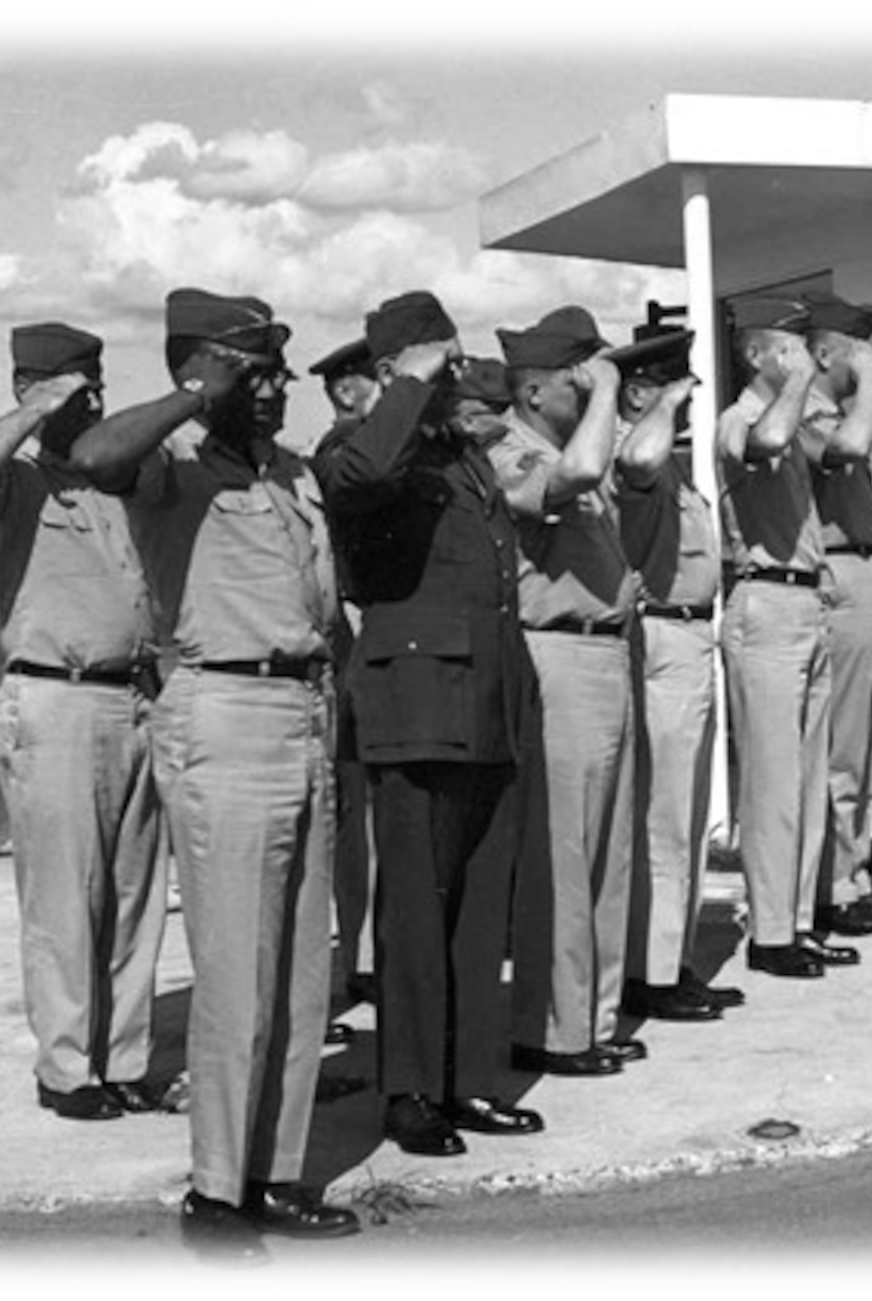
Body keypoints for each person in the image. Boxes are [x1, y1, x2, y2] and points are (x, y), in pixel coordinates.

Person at [69, 289, 357, 1256]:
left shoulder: (289, 473)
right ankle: (215, 1193)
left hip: (303, 709)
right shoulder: (169, 466)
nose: (275, 387)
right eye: (254, 370)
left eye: (278, 369)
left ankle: (273, 1172)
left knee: (299, 969)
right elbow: (95, 457)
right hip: (223, 712)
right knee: (238, 967)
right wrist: (199, 395)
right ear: (201, 373)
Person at [313, 291, 546, 1159]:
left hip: (485, 700)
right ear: (390, 371)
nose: (452, 376)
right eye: (437, 363)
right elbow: (365, 478)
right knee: (414, 909)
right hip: (416, 707)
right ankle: (409, 1088)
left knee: (481, 904)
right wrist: (404, 386)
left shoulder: (455, 449)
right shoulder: (356, 446)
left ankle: (468, 1081)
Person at [0, 323, 169, 1123]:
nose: (93, 400)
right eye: (76, 387)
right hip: (55, 699)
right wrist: (39, 409)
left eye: (96, 385)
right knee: (66, 896)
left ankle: (126, 1058)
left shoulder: (118, 482)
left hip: (136, 695)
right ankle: (68, 1067)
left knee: (137, 893)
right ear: (31, 389)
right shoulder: (15, 486)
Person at [488, 306, 650, 1076]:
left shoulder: (570, 441)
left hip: (607, 653)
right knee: (564, 851)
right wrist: (612, 385)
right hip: (556, 655)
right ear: (532, 393)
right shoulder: (512, 448)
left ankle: (595, 1016)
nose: (590, 390)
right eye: (576, 378)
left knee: (609, 850)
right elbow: (580, 474)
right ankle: (552, 1025)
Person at [611, 321, 743, 1022]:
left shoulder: (673, 467)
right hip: (659, 639)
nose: (688, 401)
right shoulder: (641, 456)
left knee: (687, 817)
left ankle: (673, 960)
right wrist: (660, 404)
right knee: (663, 815)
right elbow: (634, 461)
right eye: (674, 385)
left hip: (689, 641)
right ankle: (651, 974)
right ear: (638, 393)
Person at [716, 296, 847, 977]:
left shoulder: (793, 422)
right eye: (787, 345)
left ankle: (796, 922)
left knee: (805, 776)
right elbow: (765, 442)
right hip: (764, 603)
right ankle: (769, 934)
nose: (800, 357)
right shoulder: (738, 421)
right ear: (756, 355)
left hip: (805, 604)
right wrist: (799, 379)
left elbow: (840, 448)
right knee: (771, 780)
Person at [798, 290, 872, 936]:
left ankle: (854, 871)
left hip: (865, 568)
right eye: (854, 350)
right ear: (826, 351)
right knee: (840, 744)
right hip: (839, 574)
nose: (865, 362)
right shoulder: (811, 412)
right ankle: (834, 886)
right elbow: (851, 447)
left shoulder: (828, 408)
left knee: (862, 744)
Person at [307, 336, 381, 1025]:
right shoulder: (341, 450)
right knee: (354, 805)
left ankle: (369, 952)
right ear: (351, 391)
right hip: (354, 628)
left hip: (375, 629)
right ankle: (360, 957)